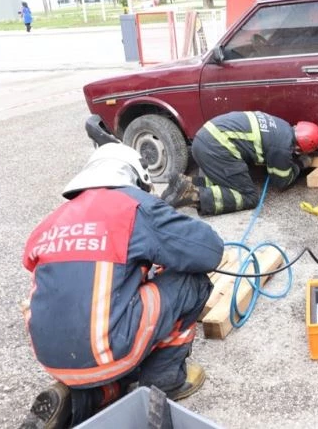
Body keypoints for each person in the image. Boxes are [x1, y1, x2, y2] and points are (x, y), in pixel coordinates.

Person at [20, 143, 224, 428]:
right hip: (108, 350)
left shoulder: (51, 220)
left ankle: (80, 400)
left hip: (51, 357)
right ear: (136, 177)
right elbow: (209, 250)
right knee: (192, 281)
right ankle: (165, 381)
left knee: (113, 310)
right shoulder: (132, 205)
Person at [164, 111, 318, 215]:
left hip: (203, 139)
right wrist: (301, 164)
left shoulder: (281, 125)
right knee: (248, 197)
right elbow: (281, 181)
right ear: (300, 148)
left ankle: (183, 183)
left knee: (222, 181)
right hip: (217, 147)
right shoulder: (282, 147)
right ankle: (194, 195)